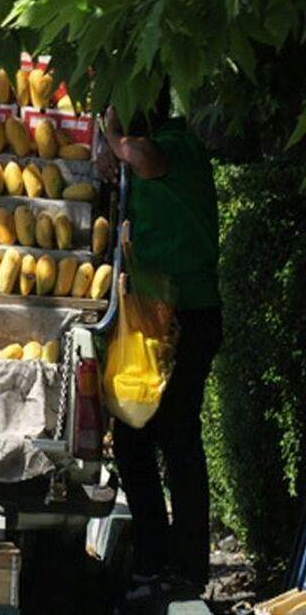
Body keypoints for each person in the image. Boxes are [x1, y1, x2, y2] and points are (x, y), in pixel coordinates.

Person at [96, 86, 223, 609]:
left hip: (186, 317)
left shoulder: (176, 145)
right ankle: (158, 561)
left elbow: (143, 157)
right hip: (157, 319)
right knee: (137, 439)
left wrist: (110, 137)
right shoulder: (151, 150)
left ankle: (181, 568)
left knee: (175, 439)